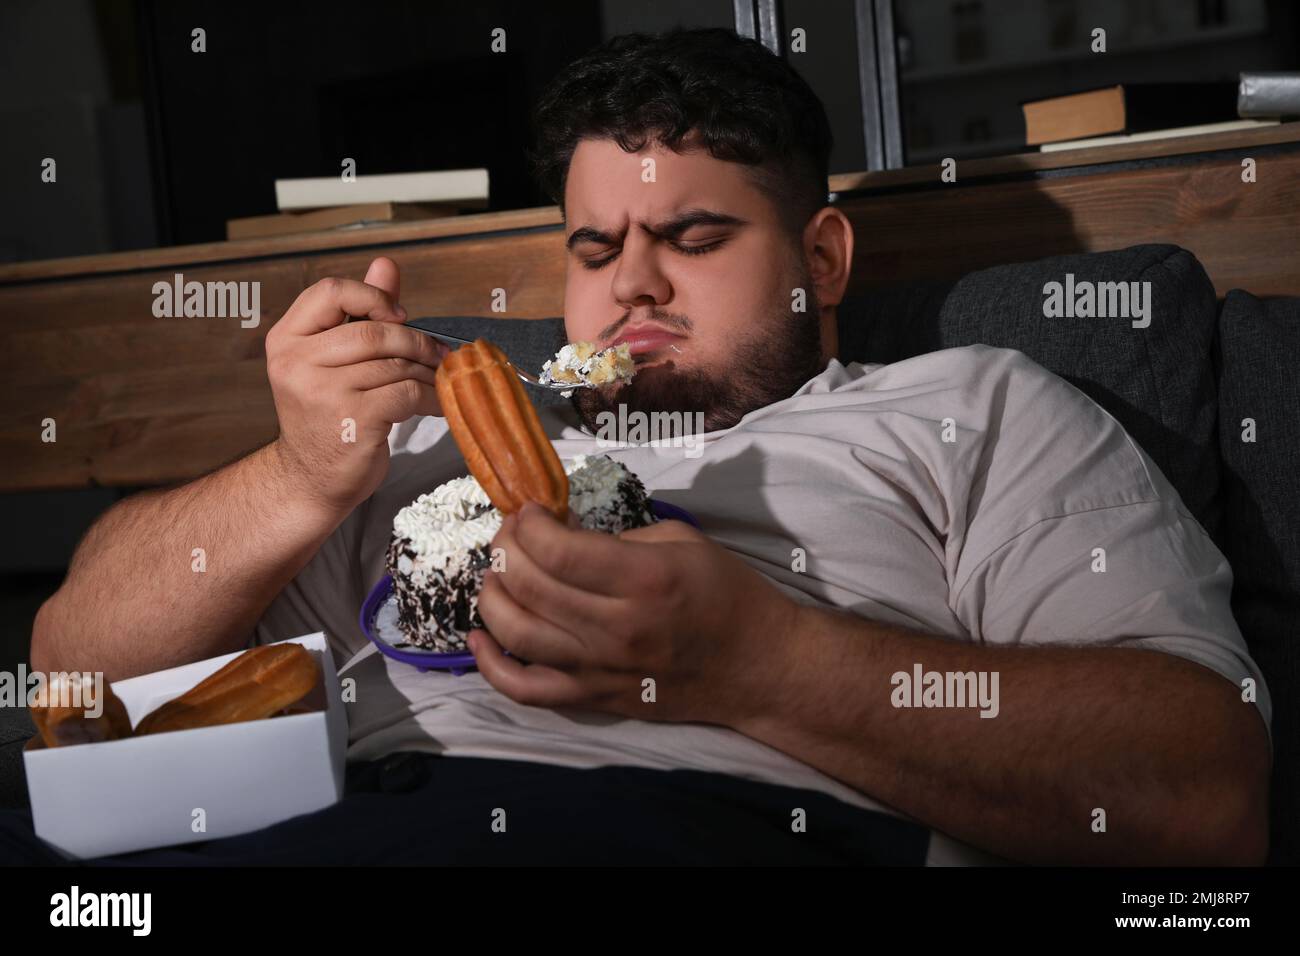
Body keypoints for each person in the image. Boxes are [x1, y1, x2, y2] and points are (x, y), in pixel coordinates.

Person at [24, 28, 1269, 866]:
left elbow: (1205, 788)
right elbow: (69, 677)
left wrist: (762, 663)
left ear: (820, 261)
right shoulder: (413, 443)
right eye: (594, 248)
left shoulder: (971, 408)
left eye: (694, 236)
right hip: (318, 816)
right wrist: (296, 476)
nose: (633, 286)